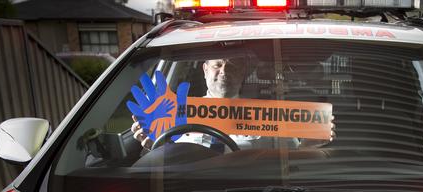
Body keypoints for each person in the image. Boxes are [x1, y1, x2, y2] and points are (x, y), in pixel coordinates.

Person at [131, 58, 333, 151]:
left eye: (233, 66)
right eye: (217, 65)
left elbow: (290, 160)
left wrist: (309, 145)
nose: (224, 71)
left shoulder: (268, 115)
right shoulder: (171, 114)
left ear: (243, 72)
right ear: (205, 69)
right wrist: (153, 148)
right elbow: (165, 171)